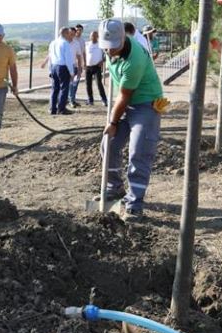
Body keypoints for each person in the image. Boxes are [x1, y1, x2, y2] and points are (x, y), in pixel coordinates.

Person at [99, 19, 164, 221]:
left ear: (123, 38)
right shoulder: (111, 47)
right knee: (108, 144)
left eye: (113, 48)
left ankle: (135, 202)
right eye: (106, 48)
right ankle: (114, 187)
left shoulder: (134, 59)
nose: (109, 52)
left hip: (147, 102)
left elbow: (125, 95)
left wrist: (112, 122)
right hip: (125, 101)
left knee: (139, 151)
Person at [42, 27, 75, 115]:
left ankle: (52, 108)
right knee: (64, 88)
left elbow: (50, 57)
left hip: (54, 66)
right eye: (68, 33)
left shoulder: (53, 43)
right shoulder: (65, 43)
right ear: (65, 33)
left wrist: (50, 70)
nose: (69, 35)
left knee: (54, 88)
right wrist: (71, 72)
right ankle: (61, 108)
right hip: (63, 67)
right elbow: (68, 59)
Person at [84, 30, 108, 106]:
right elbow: (83, 54)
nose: (93, 37)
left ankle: (104, 100)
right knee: (88, 84)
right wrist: (83, 63)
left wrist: (102, 61)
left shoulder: (101, 45)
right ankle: (90, 100)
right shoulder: (87, 44)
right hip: (88, 67)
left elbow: (106, 54)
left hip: (97, 67)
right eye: (92, 36)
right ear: (90, 37)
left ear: (98, 37)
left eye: (95, 36)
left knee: (99, 84)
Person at [68, 24, 86, 107]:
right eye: (77, 30)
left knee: (75, 84)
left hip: (78, 65)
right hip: (70, 65)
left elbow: (83, 52)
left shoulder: (82, 40)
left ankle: (73, 99)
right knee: (70, 84)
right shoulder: (70, 40)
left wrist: (84, 63)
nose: (78, 31)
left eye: (80, 30)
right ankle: (70, 100)